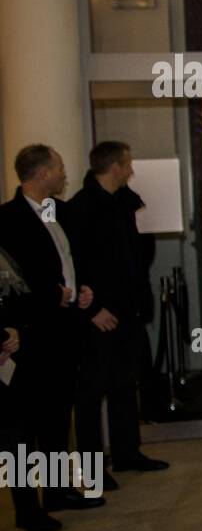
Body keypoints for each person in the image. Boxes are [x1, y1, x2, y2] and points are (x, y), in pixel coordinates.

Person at [0, 144, 106, 511]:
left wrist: (84, 289)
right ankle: (27, 508)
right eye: (58, 168)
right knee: (22, 426)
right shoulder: (8, 219)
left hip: (63, 331)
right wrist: (51, 295)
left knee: (57, 417)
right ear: (42, 173)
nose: (64, 174)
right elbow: (12, 281)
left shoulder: (58, 212)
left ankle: (58, 492)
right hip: (30, 335)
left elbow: (69, 260)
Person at [65, 141, 169, 479]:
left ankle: (127, 453)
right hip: (99, 314)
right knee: (92, 391)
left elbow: (135, 257)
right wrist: (92, 309)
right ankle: (93, 468)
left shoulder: (123, 203)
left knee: (126, 384)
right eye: (127, 164)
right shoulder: (81, 209)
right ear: (114, 167)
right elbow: (74, 265)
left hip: (128, 310)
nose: (131, 170)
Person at [0, 243, 63, 531]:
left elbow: (15, 297)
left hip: (9, 353)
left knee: (18, 435)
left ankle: (28, 508)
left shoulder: (5, 254)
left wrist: (12, 331)